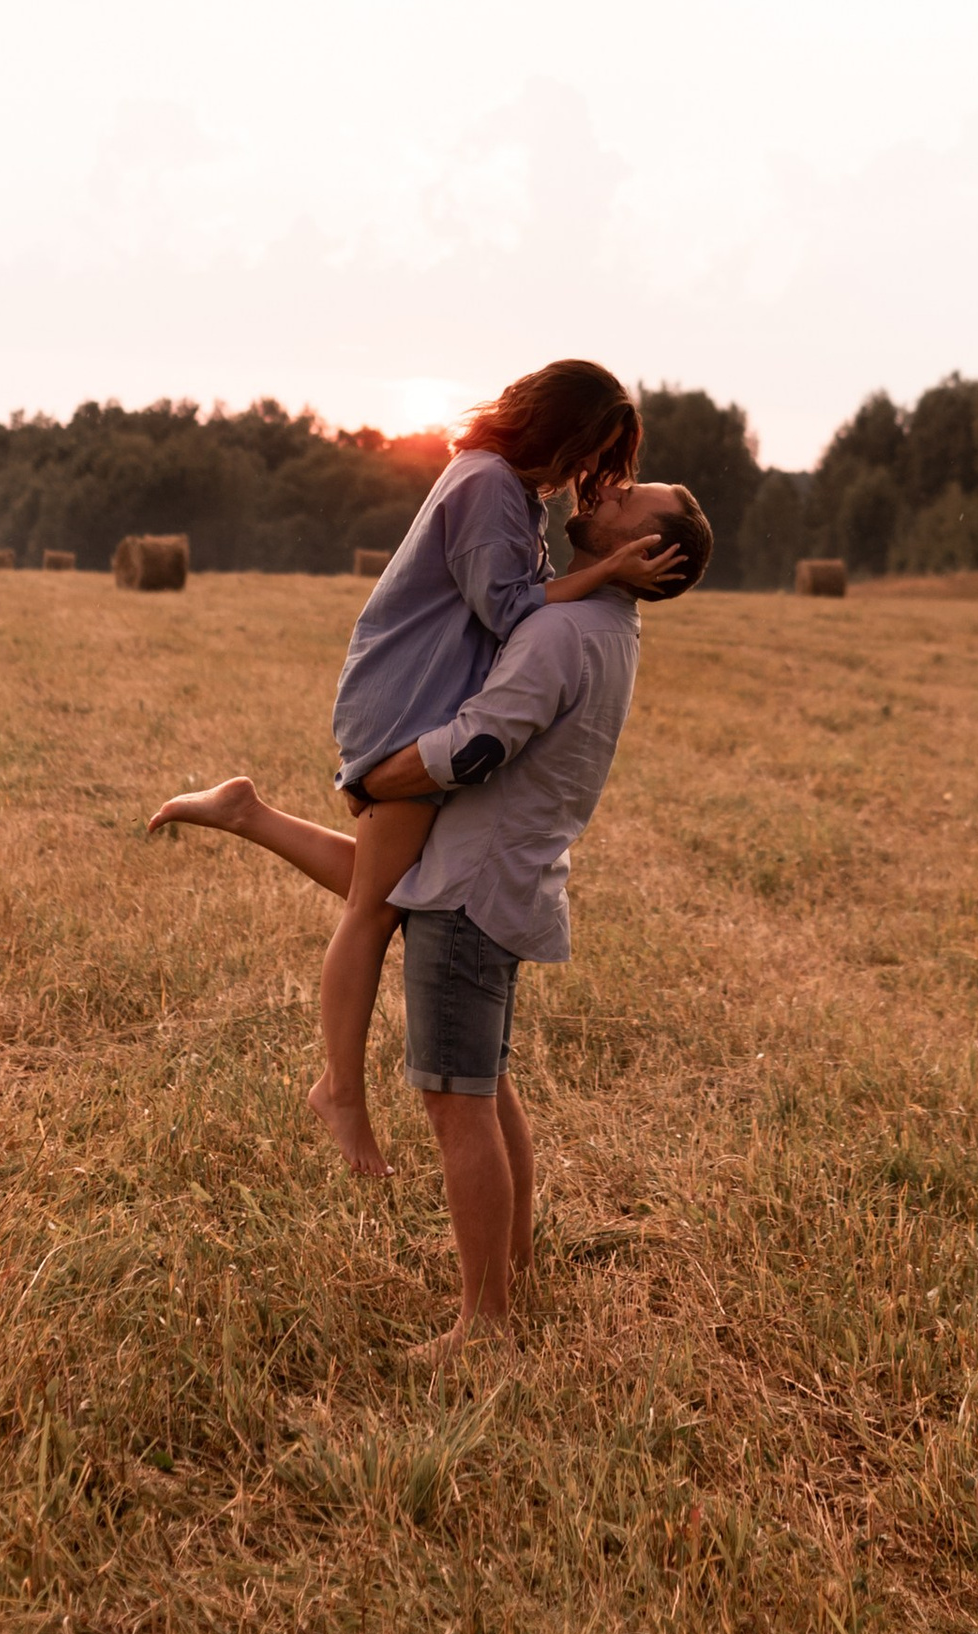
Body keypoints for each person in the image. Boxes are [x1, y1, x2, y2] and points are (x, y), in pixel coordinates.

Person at [149, 476, 712, 1349]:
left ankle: (484, 1321)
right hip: (497, 874)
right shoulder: (606, 625)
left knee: (458, 1104)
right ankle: (512, 1273)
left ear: (651, 553)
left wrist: (377, 778)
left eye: (633, 497)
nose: (610, 490)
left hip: (473, 888)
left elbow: (477, 742)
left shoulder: (566, 630)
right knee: (486, 1086)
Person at [151, 362, 679, 1179]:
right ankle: (340, 1093)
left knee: (387, 888)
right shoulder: (487, 484)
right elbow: (509, 610)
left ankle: (246, 812)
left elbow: (516, 605)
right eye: (588, 447)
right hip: (407, 703)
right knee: (373, 911)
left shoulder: (510, 491)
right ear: (556, 426)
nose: (589, 471)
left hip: (428, 696)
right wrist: (606, 573)